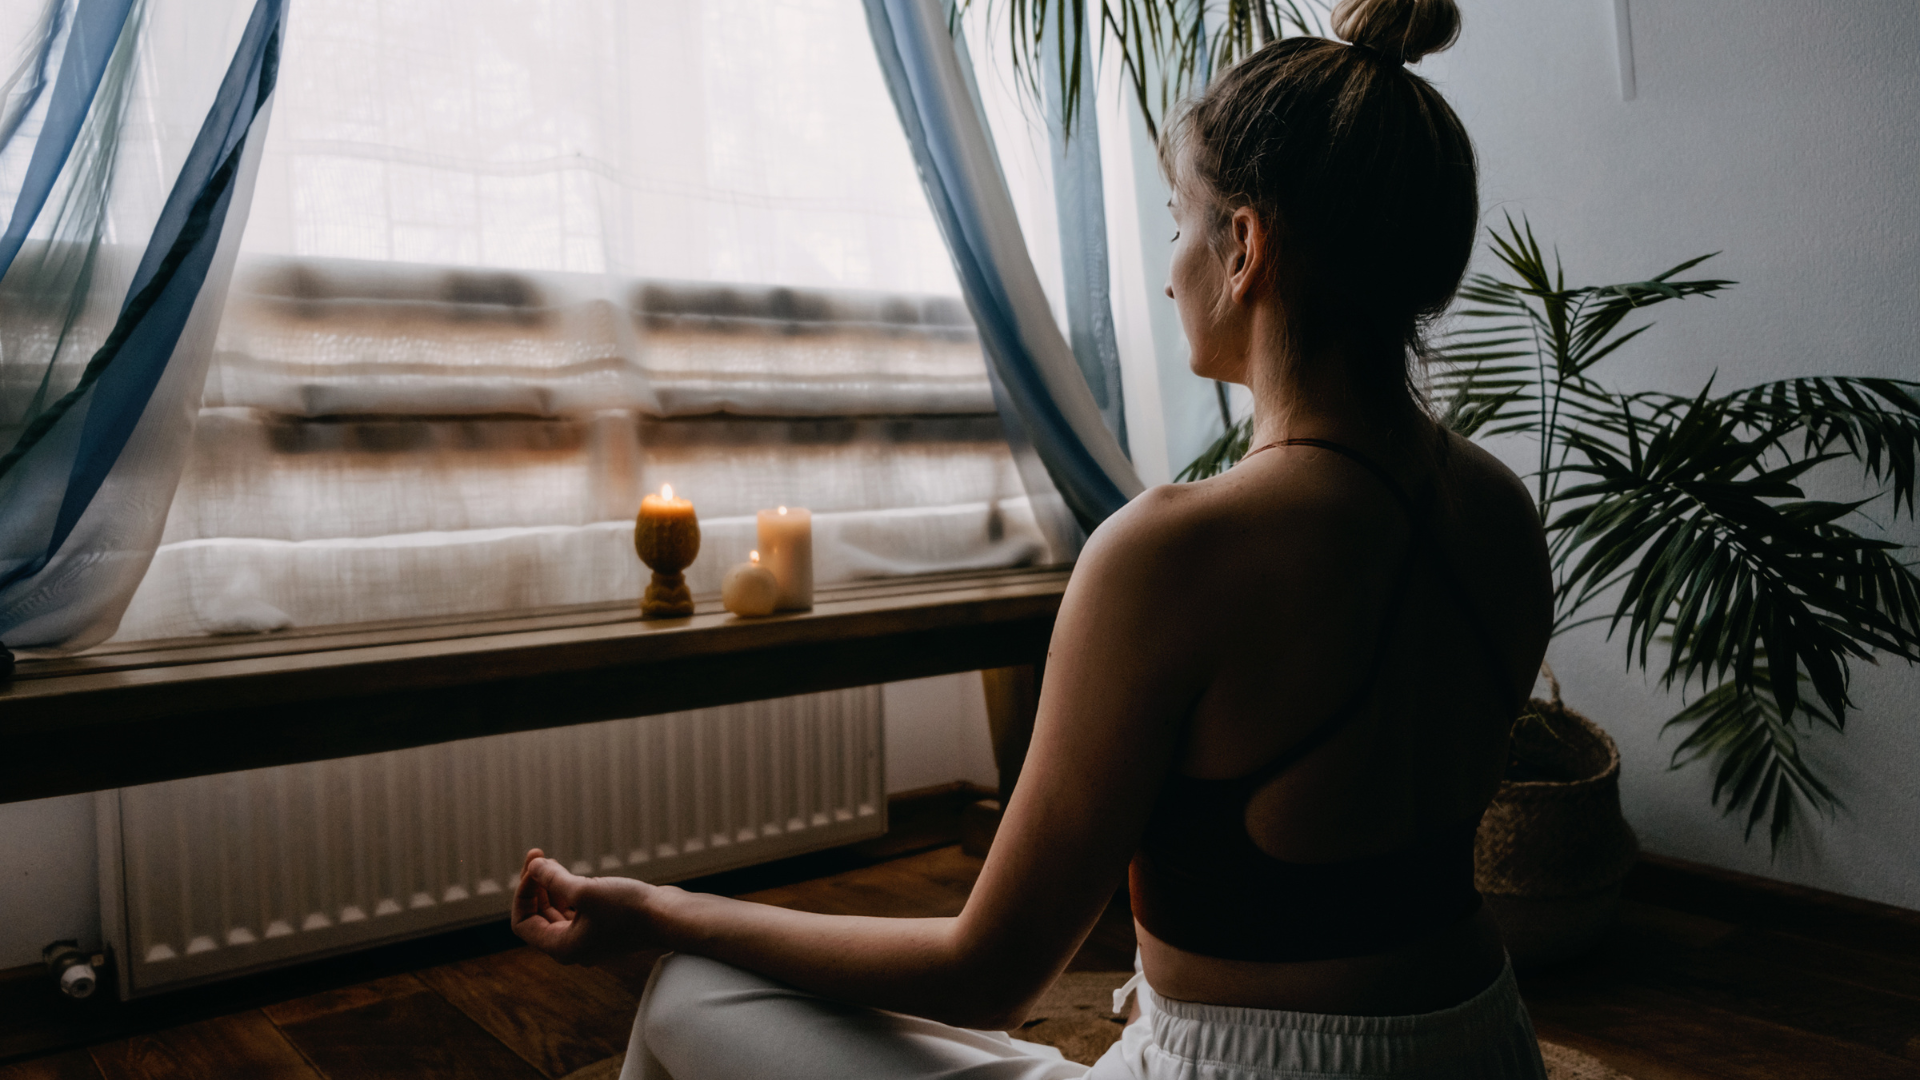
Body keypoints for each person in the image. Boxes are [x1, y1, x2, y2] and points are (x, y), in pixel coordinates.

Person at [511, 0, 1554, 1074]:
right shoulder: (1498, 512)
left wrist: (658, 910)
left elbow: (986, 974)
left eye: (1176, 221)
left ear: (1243, 247)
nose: (1165, 269)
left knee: (692, 986)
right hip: (1484, 1043)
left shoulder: (1172, 553)